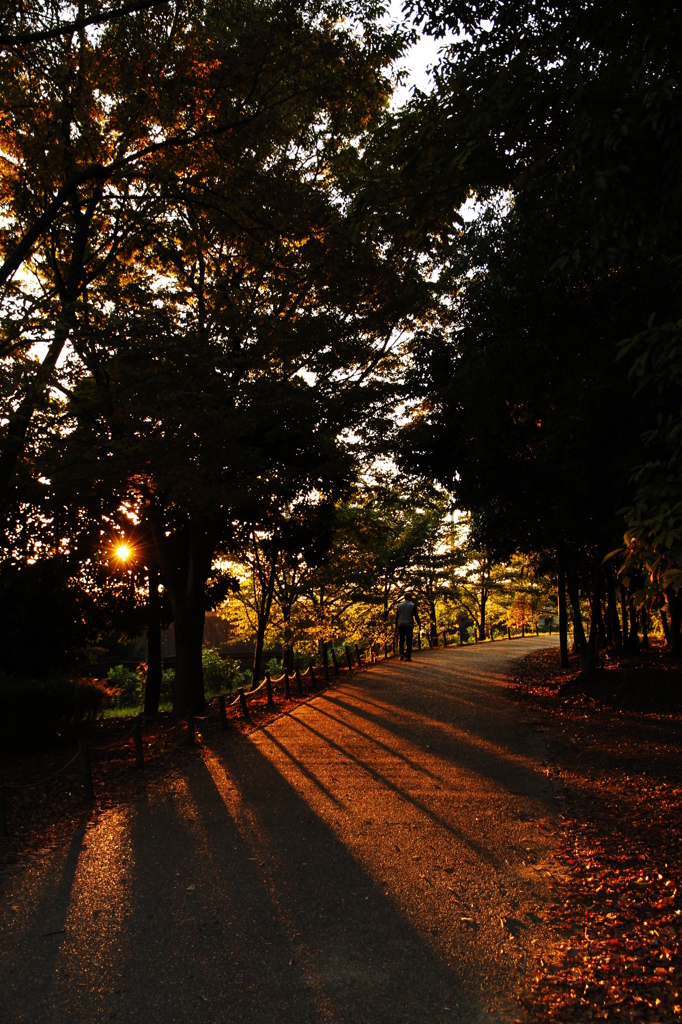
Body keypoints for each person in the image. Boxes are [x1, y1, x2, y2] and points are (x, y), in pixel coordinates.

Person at [395, 592, 421, 661]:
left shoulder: (399, 605)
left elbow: (397, 617)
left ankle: (401, 654)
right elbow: (416, 616)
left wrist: (396, 626)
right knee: (409, 640)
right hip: (408, 624)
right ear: (410, 598)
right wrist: (419, 624)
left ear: (404, 597)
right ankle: (407, 656)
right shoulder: (412, 605)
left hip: (401, 624)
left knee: (401, 640)